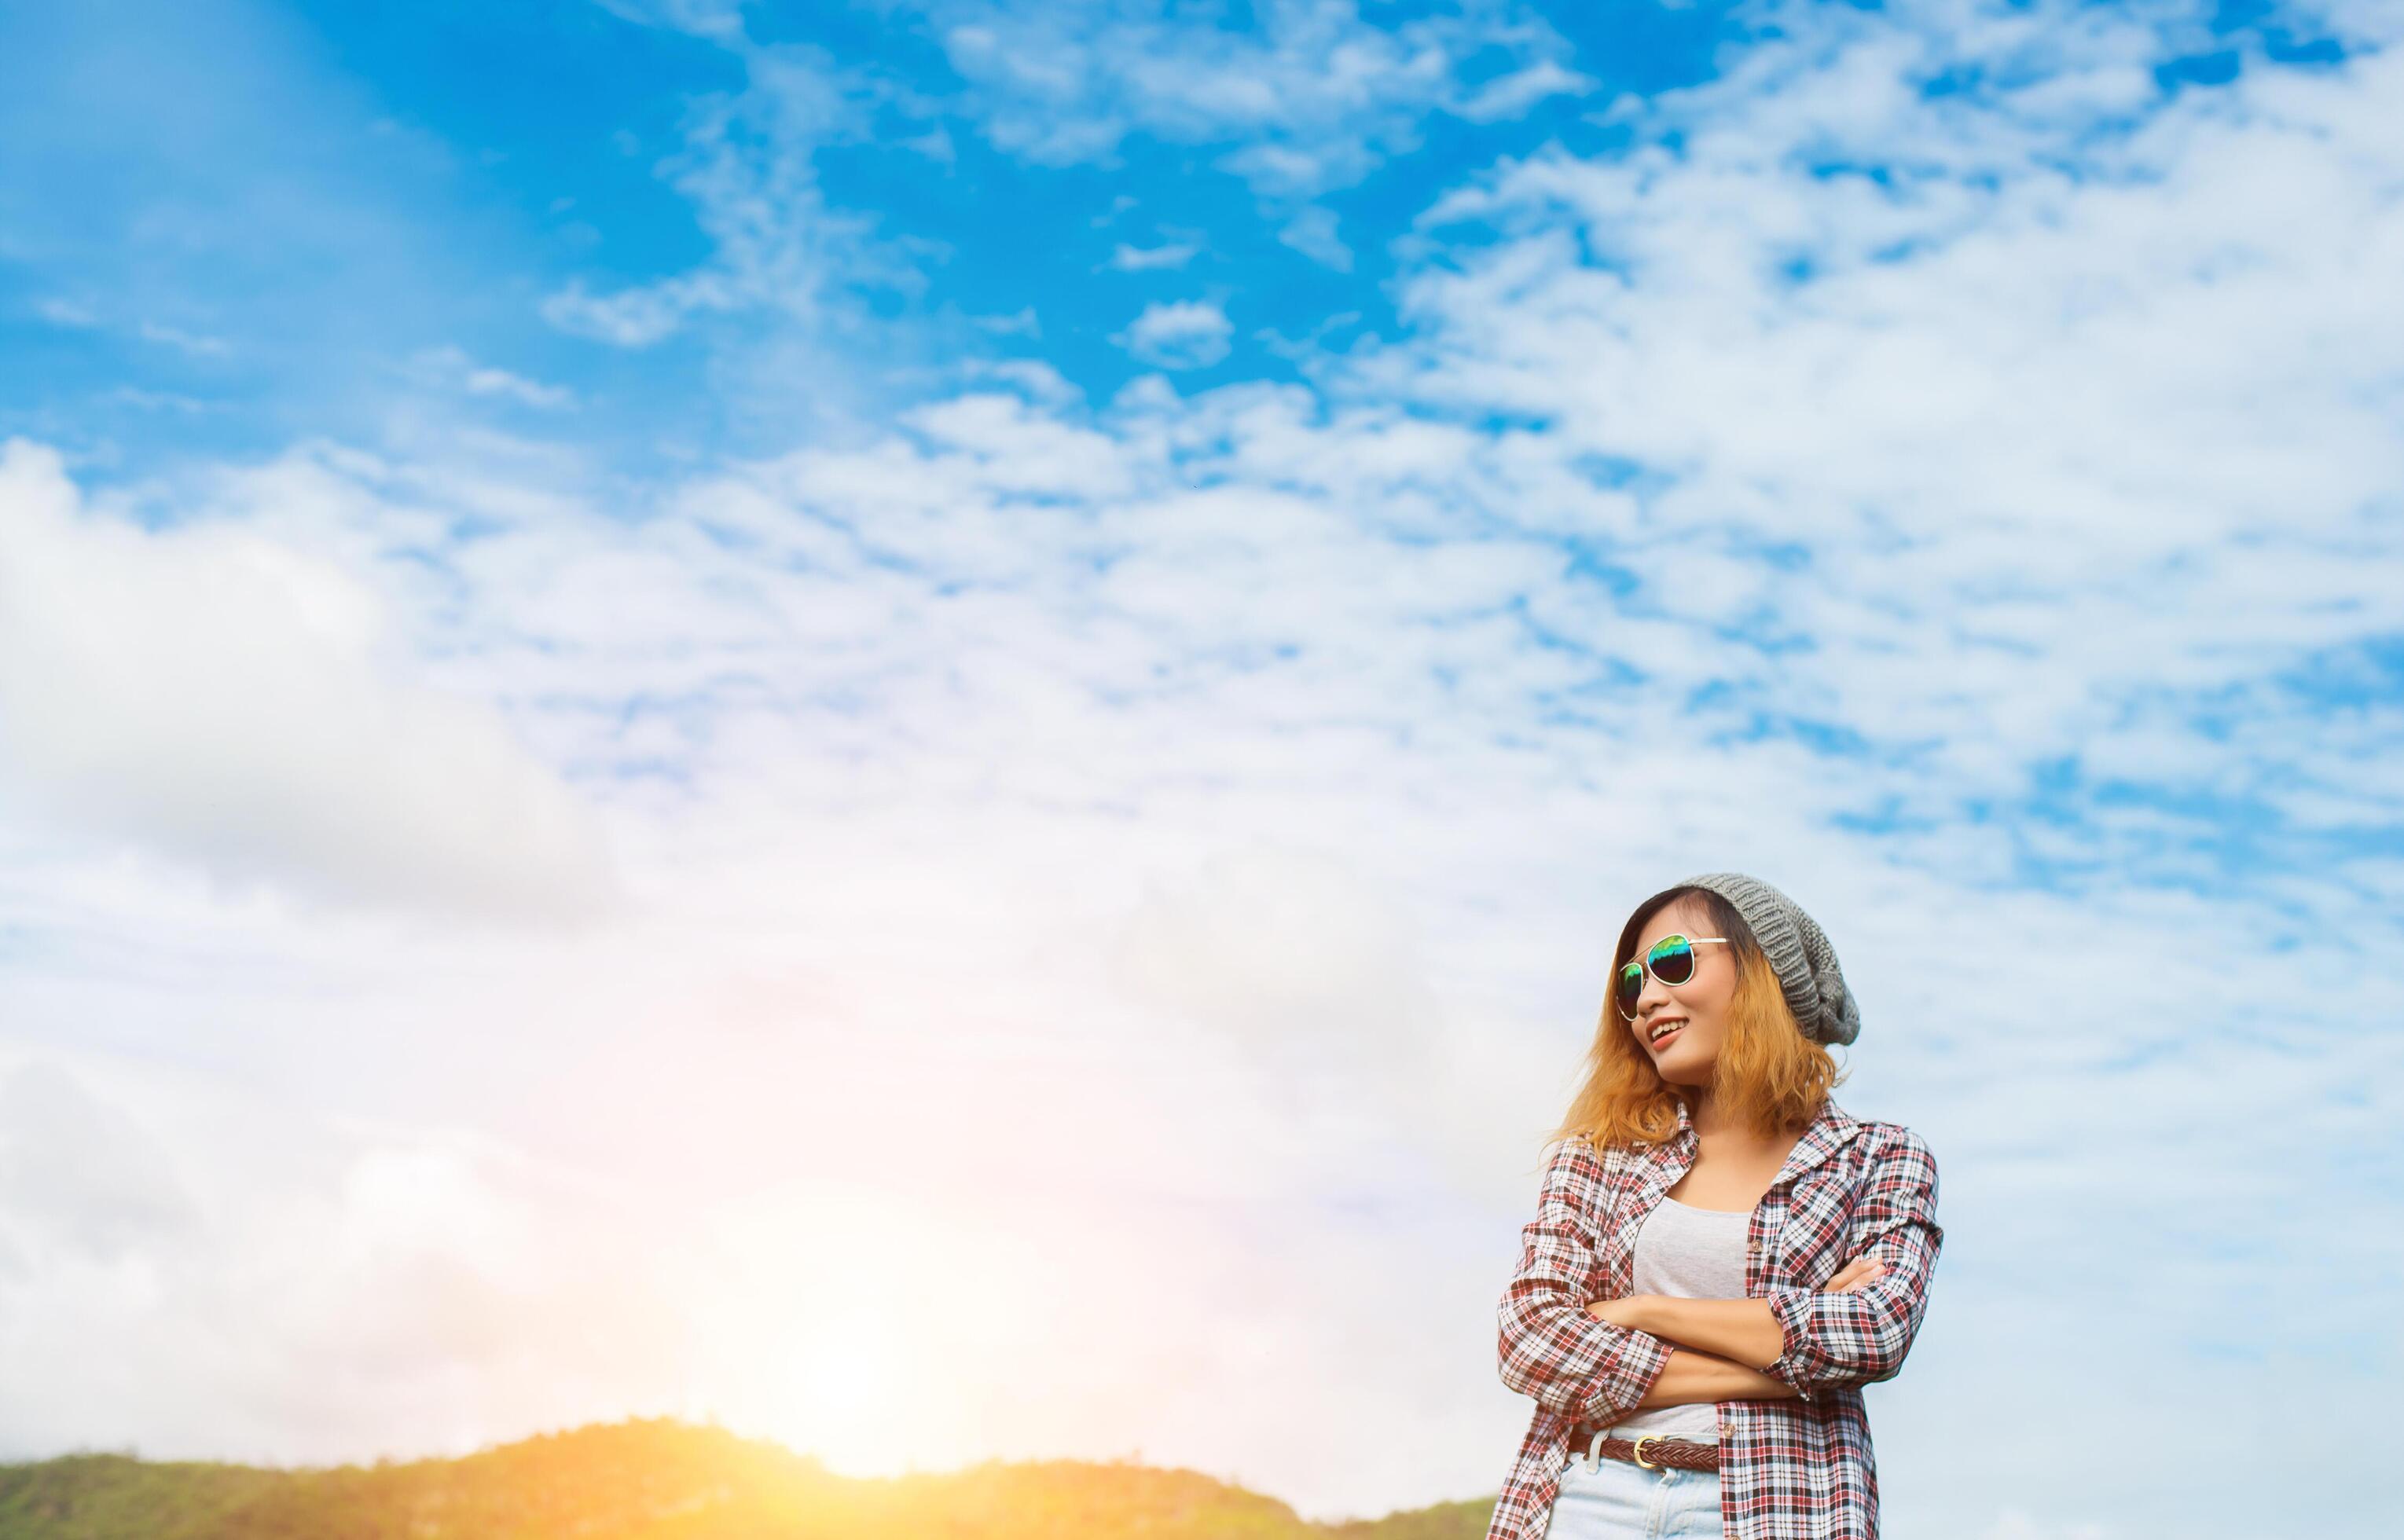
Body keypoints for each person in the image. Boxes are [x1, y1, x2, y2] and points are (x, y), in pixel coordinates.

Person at [1482, 873, 1944, 1540]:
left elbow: (1872, 1331)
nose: (1645, 999)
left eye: (1672, 962)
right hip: (1589, 1496)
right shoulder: (1598, 1156)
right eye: (1630, 983)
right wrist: (1789, 1370)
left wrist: (1642, 1311)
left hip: (1782, 1506)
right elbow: (1531, 1340)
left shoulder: (1878, 1159)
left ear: (1761, 971)